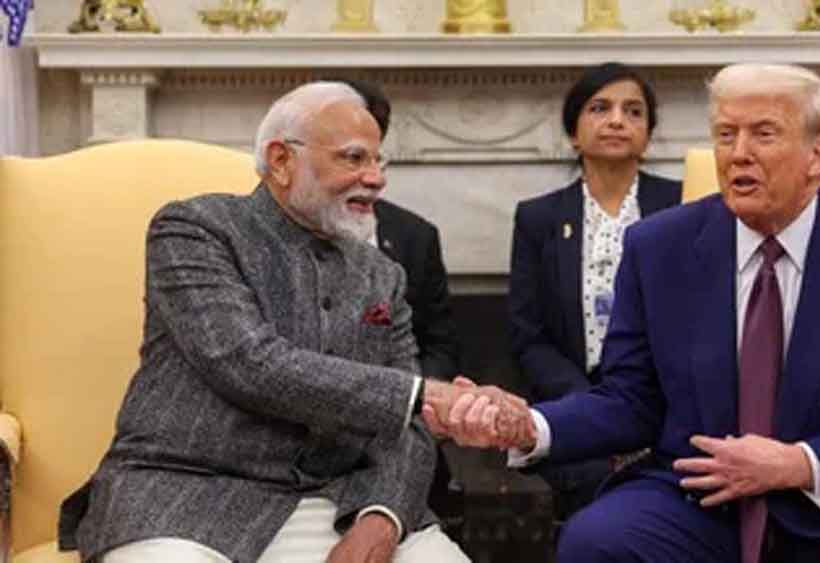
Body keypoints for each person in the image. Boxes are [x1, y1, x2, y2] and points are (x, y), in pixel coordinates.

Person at [436, 64, 820, 563]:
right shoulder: (658, 248)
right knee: (596, 541)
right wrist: (529, 426)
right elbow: (630, 399)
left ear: (818, 154)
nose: (738, 154)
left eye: (763, 134)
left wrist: (799, 463)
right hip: (701, 495)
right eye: (725, 135)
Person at [56, 81, 525, 563]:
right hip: (183, 495)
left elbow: (406, 427)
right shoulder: (196, 229)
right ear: (281, 161)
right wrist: (426, 395)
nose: (376, 178)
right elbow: (248, 362)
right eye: (354, 158)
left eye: (379, 161)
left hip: (331, 499)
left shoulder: (382, 274)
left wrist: (382, 517)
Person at [508, 62, 682, 519]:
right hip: (576, 397)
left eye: (634, 111)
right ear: (573, 132)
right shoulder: (539, 218)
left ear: (648, 135)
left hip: (667, 401)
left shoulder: (684, 205)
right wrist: (588, 407)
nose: (617, 120)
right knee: (591, 484)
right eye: (600, 108)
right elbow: (529, 336)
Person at [345, 78, 464, 524]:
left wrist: (422, 405)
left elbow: (440, 342)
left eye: (370, 153)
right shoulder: (257, 239)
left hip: (401, 424)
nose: (370, 174)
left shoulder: (415, 236)